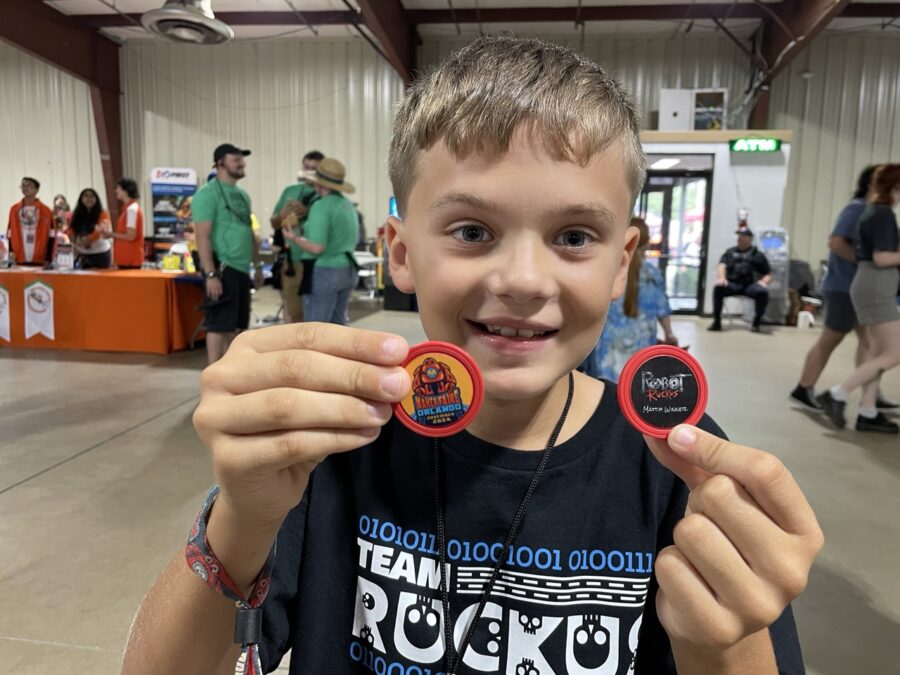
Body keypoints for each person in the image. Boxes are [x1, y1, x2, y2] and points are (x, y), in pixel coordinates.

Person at [123, 37, 822, 675]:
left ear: (622, 263)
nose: (521, 279)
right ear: (400, 251)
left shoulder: (675, 465)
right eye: (471, 229)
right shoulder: (333, 443)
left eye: (575, 236)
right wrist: (243, 518)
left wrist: (720, 641)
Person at [789, 166, 897, 412]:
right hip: (844, 287)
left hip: (856, 289)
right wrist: (862, 262)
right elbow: (836, 241)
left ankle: (870, 393)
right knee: (831, 338)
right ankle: (804, 387)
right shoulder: (858, 209)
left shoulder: (872, 210)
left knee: (869, 343)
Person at [818, 164, 900, 434]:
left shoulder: (871, 212)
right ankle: (838, 393)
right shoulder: (883, 214)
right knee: (893, 352)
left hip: (870, 284)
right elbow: (881, 257)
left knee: (876, 352)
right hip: (877, 285)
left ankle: (867, 410)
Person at [192, 143, 264, 364]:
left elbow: (250, 233)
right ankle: (213, 372)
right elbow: (202, 236)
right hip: (223, 267)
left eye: (242, 159)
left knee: (237, 326)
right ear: (220, 163)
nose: (242, 163)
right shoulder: (207, 194)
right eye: (236, 159)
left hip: (242, 269)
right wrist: (211, 274)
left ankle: (230, 371)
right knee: (219, 324)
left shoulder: (242, 195)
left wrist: (258, 265)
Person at [583, 216, 678, 381]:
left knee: (608, 393)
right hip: (642, 349)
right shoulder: (652, 275)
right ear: (646, 243)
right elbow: (662, 309)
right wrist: (669, 334)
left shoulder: (607, 274)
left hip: (608, 348)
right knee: (636, 391)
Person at [282, 157, 359, 326]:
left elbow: (317, 247)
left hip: (326, 271)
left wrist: (293, 237)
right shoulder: (346, 205)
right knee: (338, 325)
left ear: (319, 183)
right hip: (347, 269)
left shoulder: (321, 206)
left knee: (316, 328)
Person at [270, 150, 325, 323]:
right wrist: (282, 216)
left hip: (318, 262)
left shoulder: (325, 195)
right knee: (292, 311)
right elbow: (274, 222)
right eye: (306, 167)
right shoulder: (290, 191)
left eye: (314, 169)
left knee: (318, 315)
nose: (309, 172)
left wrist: (308, 211)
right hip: (292, 260)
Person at [708, 228, 772, 333]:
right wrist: (722, 278)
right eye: (739, 235)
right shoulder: (730, 252)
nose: (739, 238)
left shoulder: (758, 255)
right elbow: (721, 266)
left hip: (750, 285)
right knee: (718, 287)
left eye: (742, 235)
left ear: (749, 238)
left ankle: (756, 323)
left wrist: (764, 282)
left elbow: (768, 274)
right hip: (733, 284)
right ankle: (716, 322)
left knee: (762, 292)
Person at [6, 177, 54, 266]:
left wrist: (48, 257)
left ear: (36, 189)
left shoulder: (46, 211)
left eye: (29, 185)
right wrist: (11, 251)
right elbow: (10, 232)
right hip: (19, 257)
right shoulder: (14, 210)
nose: (25, 188)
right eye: (23, 185)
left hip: (40, 257)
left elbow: (52, 234)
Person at [103, 178, 145, 269]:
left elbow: (130, 236)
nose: (116, 190)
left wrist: (110, 234)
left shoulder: (131, 210)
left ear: (126, 190)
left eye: (118, 188)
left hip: (130, 260)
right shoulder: (129, 209)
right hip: (127, 258)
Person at [68, 188, 112, 269]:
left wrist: (81, 243)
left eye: (92, 196)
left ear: (96, 199)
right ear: (81, 199)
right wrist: (73, 241)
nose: (89, 199)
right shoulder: (76, 214)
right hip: (82, 254)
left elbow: (97, 234)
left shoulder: (103, 213)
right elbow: (70, 230)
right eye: (85, 196)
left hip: (100, 253)